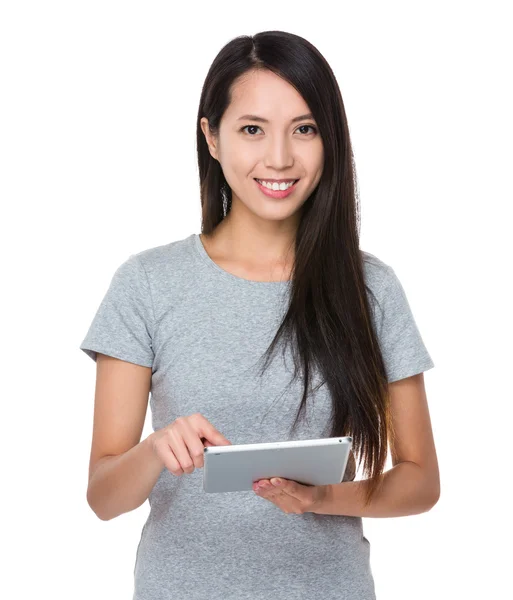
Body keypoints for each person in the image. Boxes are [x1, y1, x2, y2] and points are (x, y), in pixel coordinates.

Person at [80, 30, 440, 600]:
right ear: (212, 137)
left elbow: (421, 481)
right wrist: (155, 450)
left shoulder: (370, 288)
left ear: (331, 141)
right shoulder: (147, 284)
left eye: (305, 129)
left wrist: (320, 499)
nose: (279, 158)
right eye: (252, 129)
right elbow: (103, 497)